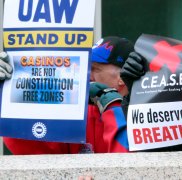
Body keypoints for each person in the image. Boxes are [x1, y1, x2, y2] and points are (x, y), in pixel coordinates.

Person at [2, 36, 134, 154]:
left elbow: (128, 165)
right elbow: (29, 148)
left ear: (122, 77)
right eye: (85, 67)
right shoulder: (77, 110)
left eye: (94, 68)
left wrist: (112, 105)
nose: (86, 74)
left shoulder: (142, 111)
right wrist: (7, 91)